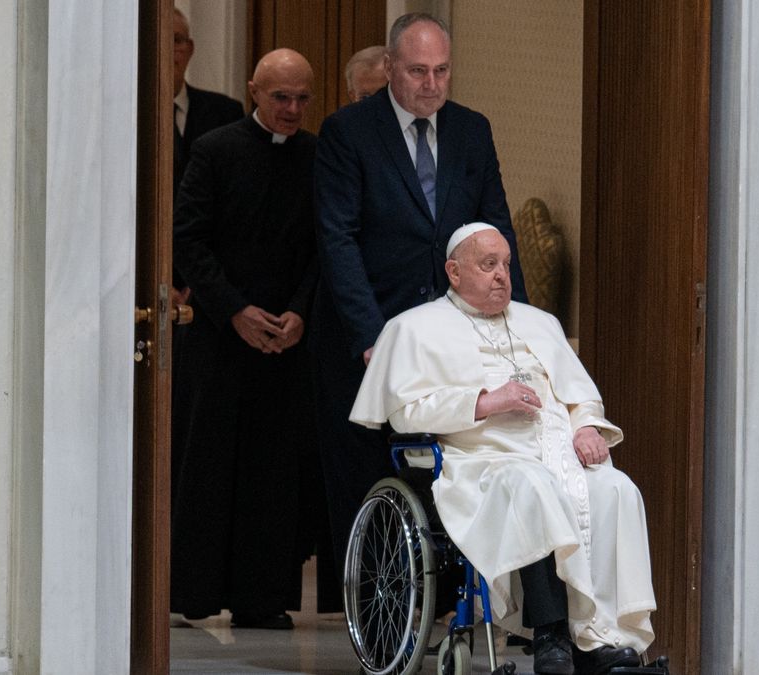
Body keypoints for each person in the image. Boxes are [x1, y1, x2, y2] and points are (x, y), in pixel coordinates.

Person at [350, 224, 655, 675]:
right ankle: (551, 634)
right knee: (531, 485)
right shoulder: (413, 327)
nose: (501, 275)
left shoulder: (541, 323)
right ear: (454, 272)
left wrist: (586, 427)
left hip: (558, 453)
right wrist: (486, 402)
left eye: (506, 265)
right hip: (479, 462)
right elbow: (406, 413)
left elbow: (580, 396)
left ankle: (602, 639)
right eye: (488, 264)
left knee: (616, 489)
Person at [311, 12, 528, 582]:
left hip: (452, 336)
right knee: (367, 479)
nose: (431, 84)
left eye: (442, 70)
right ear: (389, 67)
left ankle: (448, 602)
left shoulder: (471, 130)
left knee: (450, 474)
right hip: (370, 330)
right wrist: (371, 337)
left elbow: (496, 231)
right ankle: (377, 609)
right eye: (417, 71)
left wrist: (517, 329)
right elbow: (338, 240)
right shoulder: (348, 131)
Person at [171, 48, 321, 630]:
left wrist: (299, 312)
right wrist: (234, 310)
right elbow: (189, 240)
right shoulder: (215, 149)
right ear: (254, 90)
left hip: (286, 341)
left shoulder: (316, 156)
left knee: (274, 476)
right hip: (221, 337)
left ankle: (263, 598)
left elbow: (323, 247)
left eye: (303, 99)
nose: (292, 110)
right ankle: (198, 592)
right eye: (281, 97)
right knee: (211, 466)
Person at [169, 7, 243, 305]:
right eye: (161, 40)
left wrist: (201, 283)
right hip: (142, 277)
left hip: (211, 282)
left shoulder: (226, 113)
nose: (169, 50)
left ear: (190, 49)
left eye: (177, 40)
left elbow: (233, 206)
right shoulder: (125, 112)